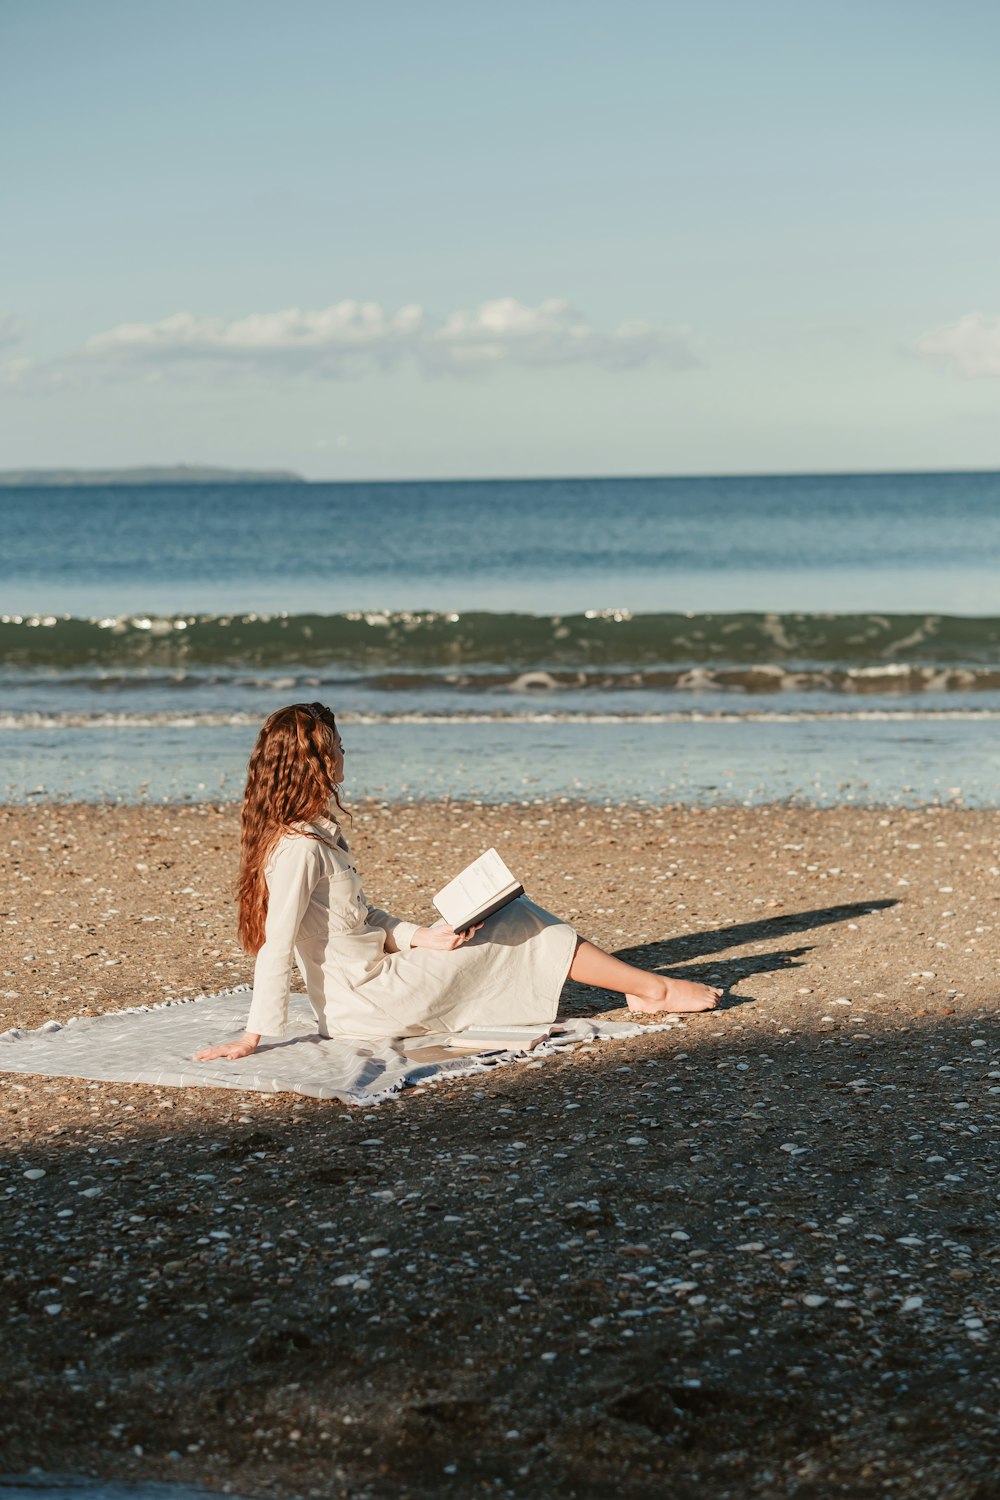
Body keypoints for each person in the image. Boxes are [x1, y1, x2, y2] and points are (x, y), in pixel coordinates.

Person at [193, 703, 721, 1061]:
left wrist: (427, 936)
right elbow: (275, 944)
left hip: (378, 977)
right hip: (369, 1003)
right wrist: (253, 1035)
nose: (345, 756)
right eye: (337, 747)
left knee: (502, 917)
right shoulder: (300, 850)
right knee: (518, 919)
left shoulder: (312, 836)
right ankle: (653, 989)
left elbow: (360, 921)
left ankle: (647, 988)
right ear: (314, 763)